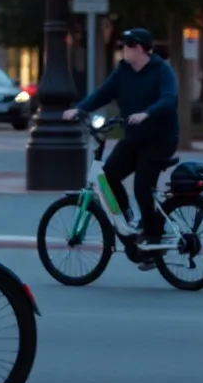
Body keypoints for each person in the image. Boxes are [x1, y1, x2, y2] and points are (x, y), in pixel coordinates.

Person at [63, 27, 178, 263]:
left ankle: (154, 240)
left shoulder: (161, 70)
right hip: (135, 138)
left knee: (141, 187)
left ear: (141, 50)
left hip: (160, 139)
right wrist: (81, 108)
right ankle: (128, 220)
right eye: (124, 46)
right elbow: (102, 93)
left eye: (129, 46)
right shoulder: (123, 71)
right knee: (108, 175)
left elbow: (168, 98)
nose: (125, 50)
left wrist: (147, 113)